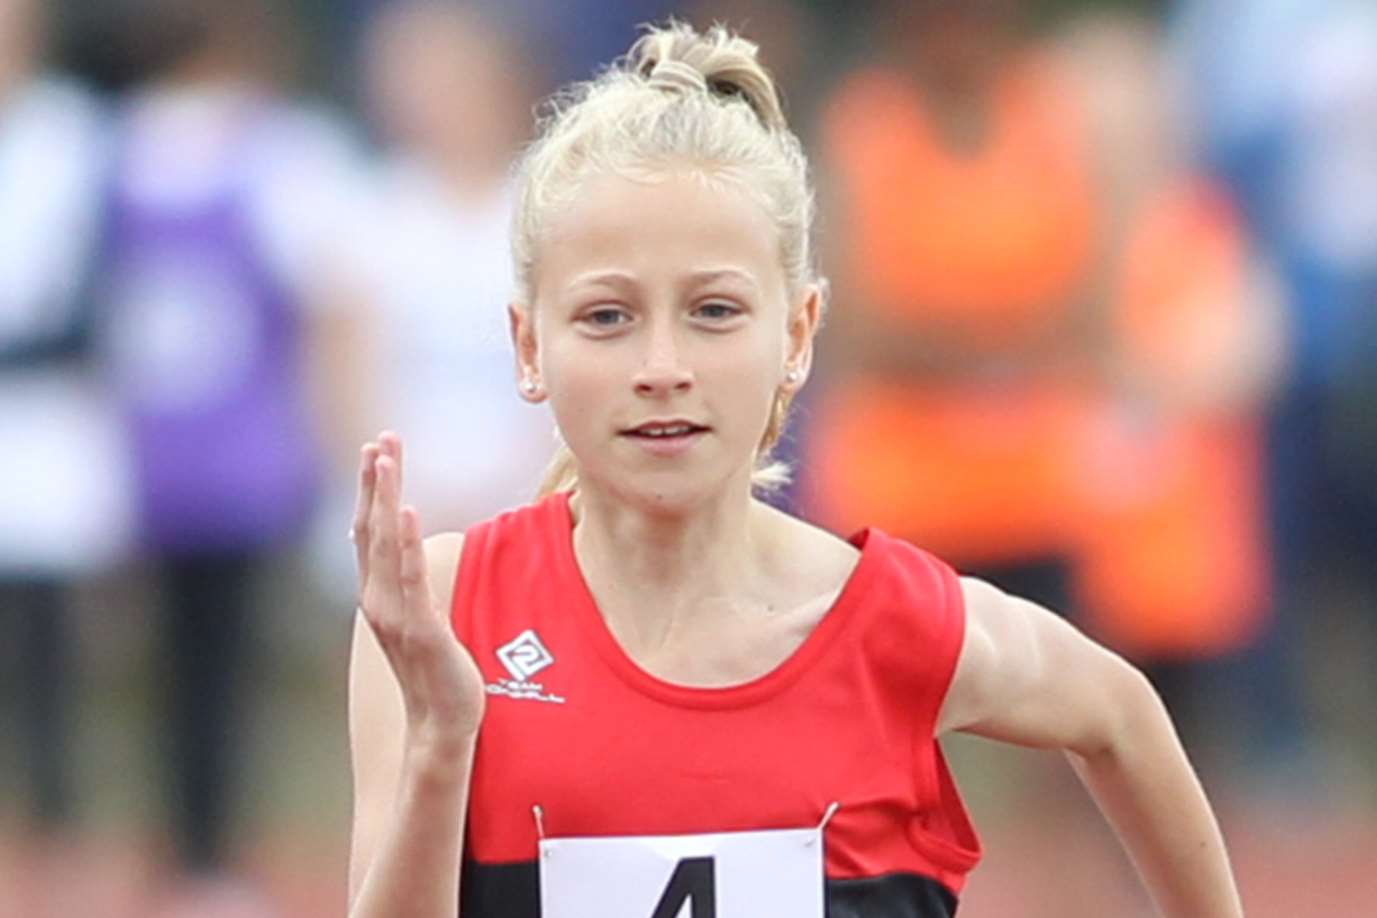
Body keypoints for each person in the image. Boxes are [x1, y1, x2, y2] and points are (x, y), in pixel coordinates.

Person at [345, 21, 1243, 918]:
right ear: (528, 344)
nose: (662, 364)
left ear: (799, 334)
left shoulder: (887, 621)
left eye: (713, 310)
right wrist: (440, 742)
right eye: (607, 317)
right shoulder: (446, 609)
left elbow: (1120, 715)